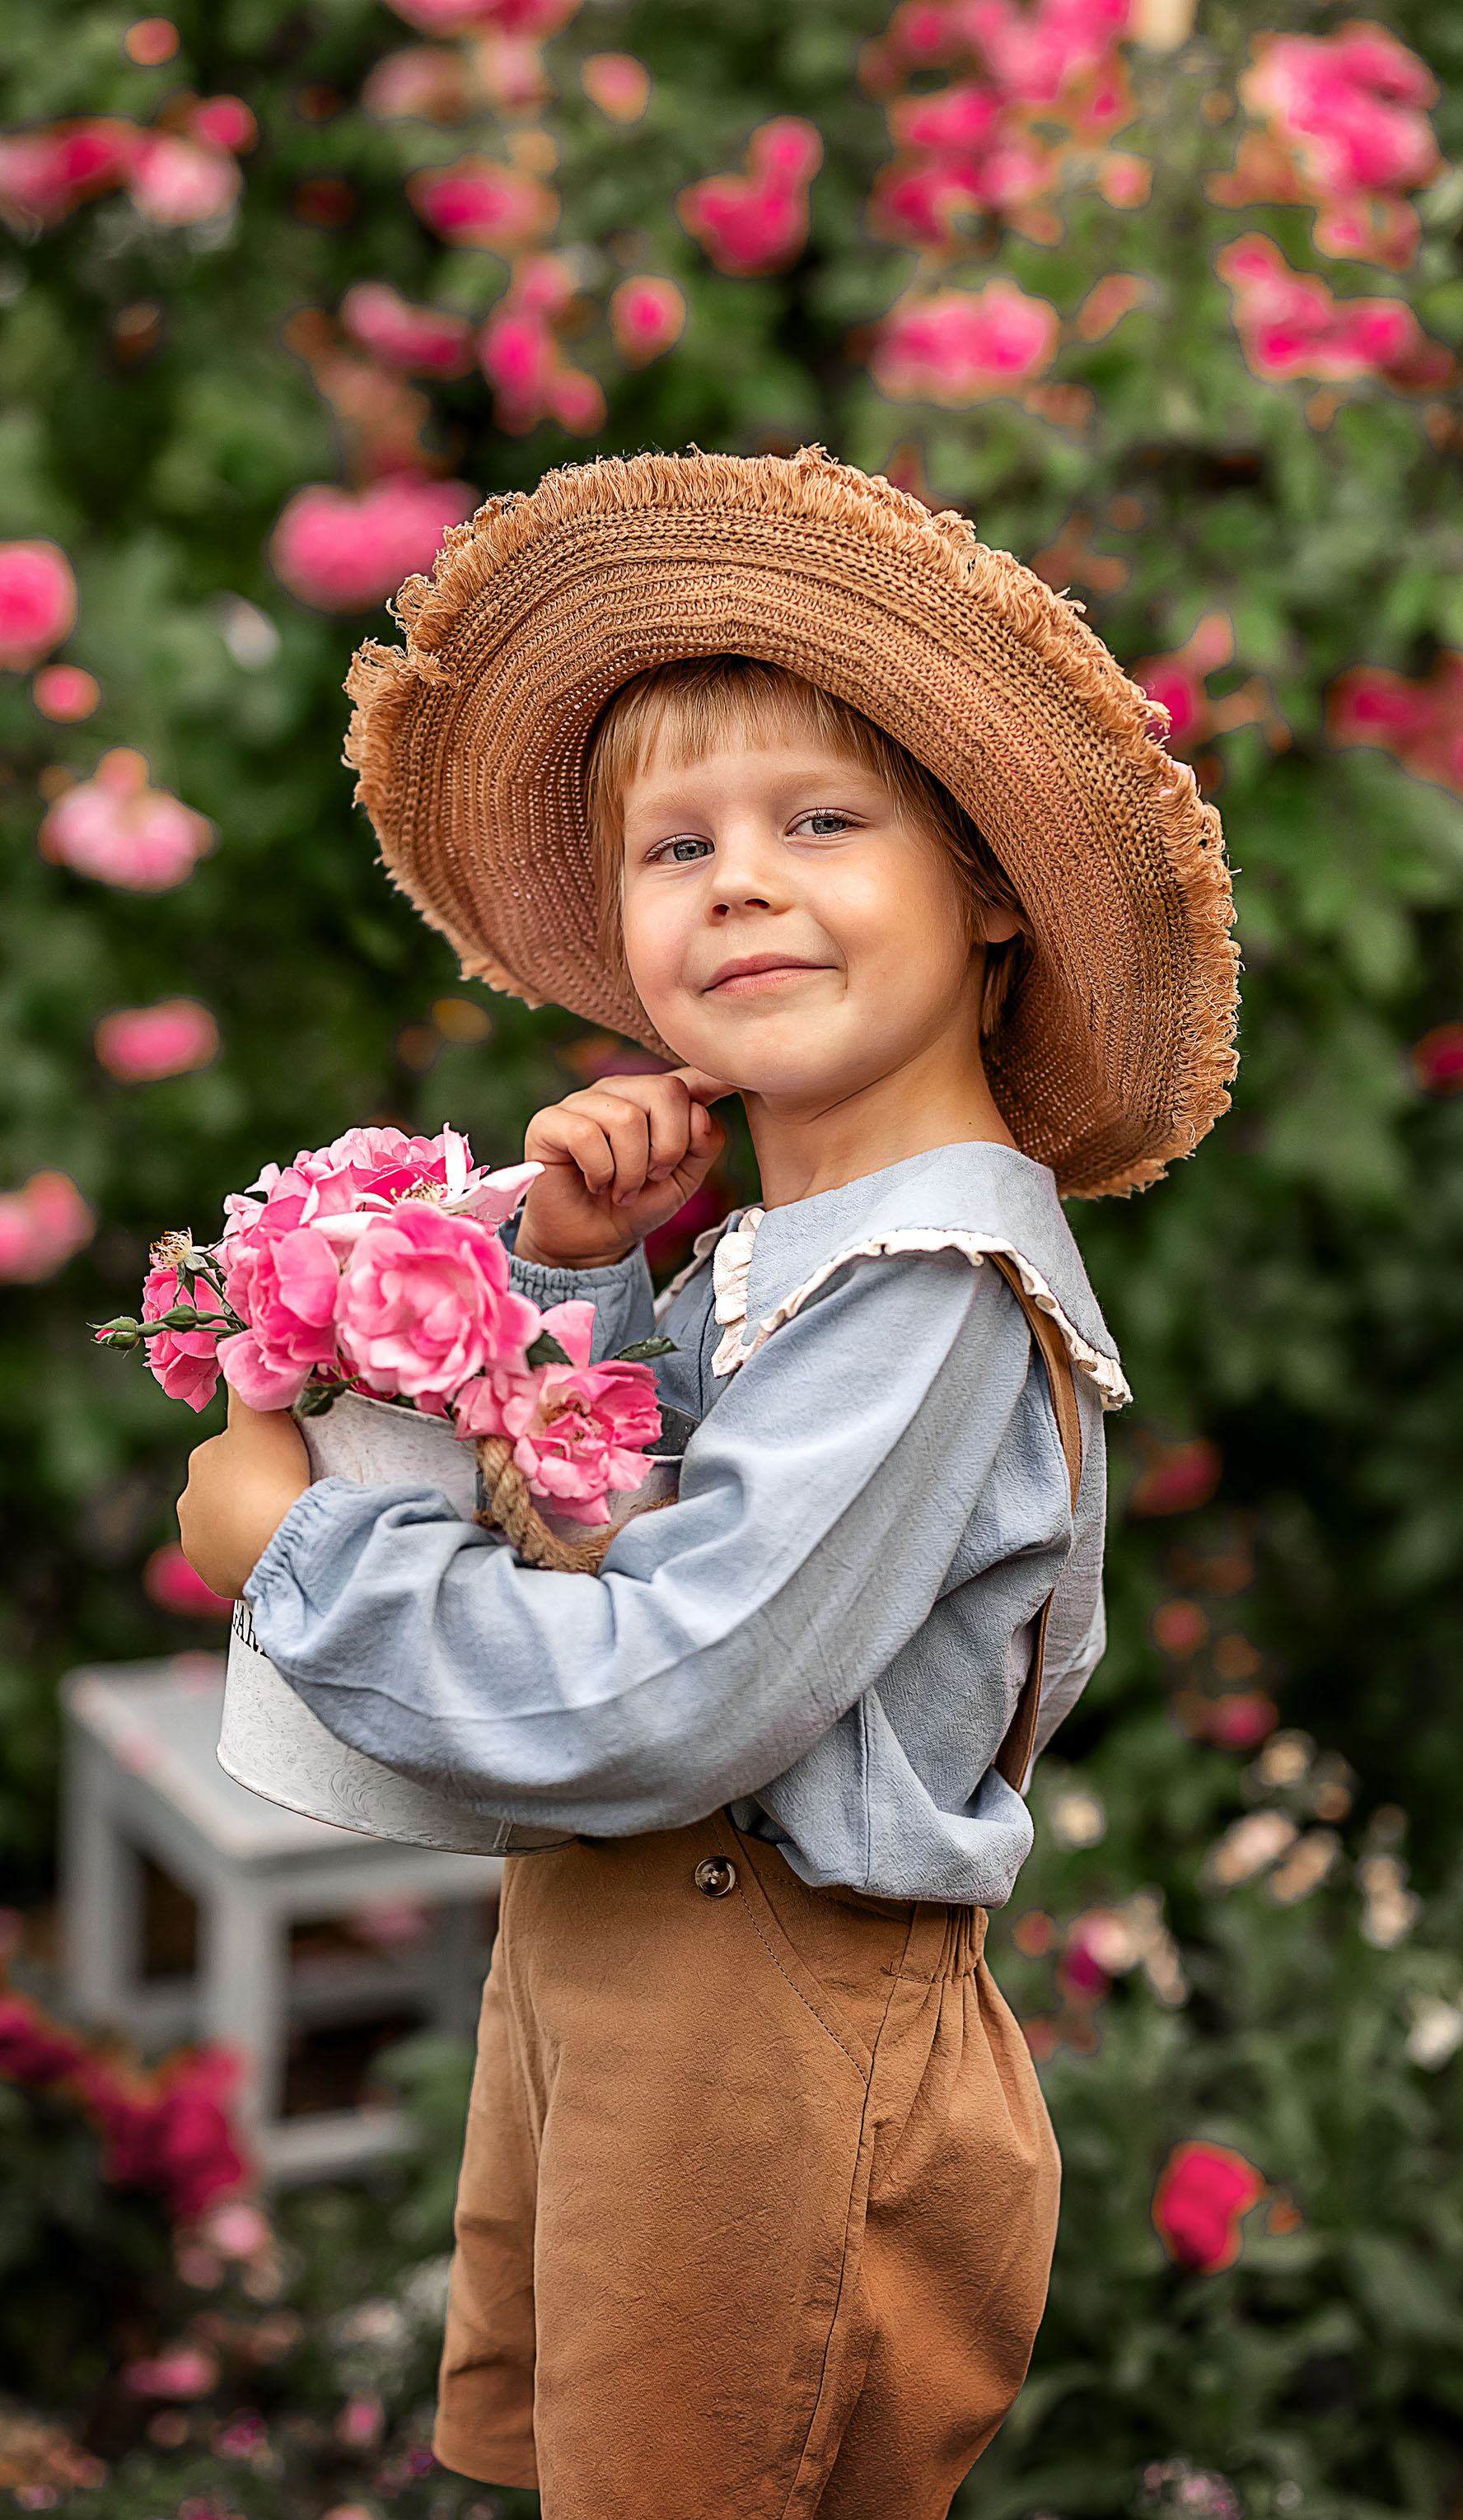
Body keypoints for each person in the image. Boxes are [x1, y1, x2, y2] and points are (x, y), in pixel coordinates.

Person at [177, 446, 1237, 2519]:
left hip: (768, 2031)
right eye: (677, 845)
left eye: (820, 822)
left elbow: (661, 1690)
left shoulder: (934, 1290)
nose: (737, 879)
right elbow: (600, 1512)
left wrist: (302, 1542)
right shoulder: (786, 1262)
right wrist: (580, 1278)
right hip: (613, 1976)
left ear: (992, 888)